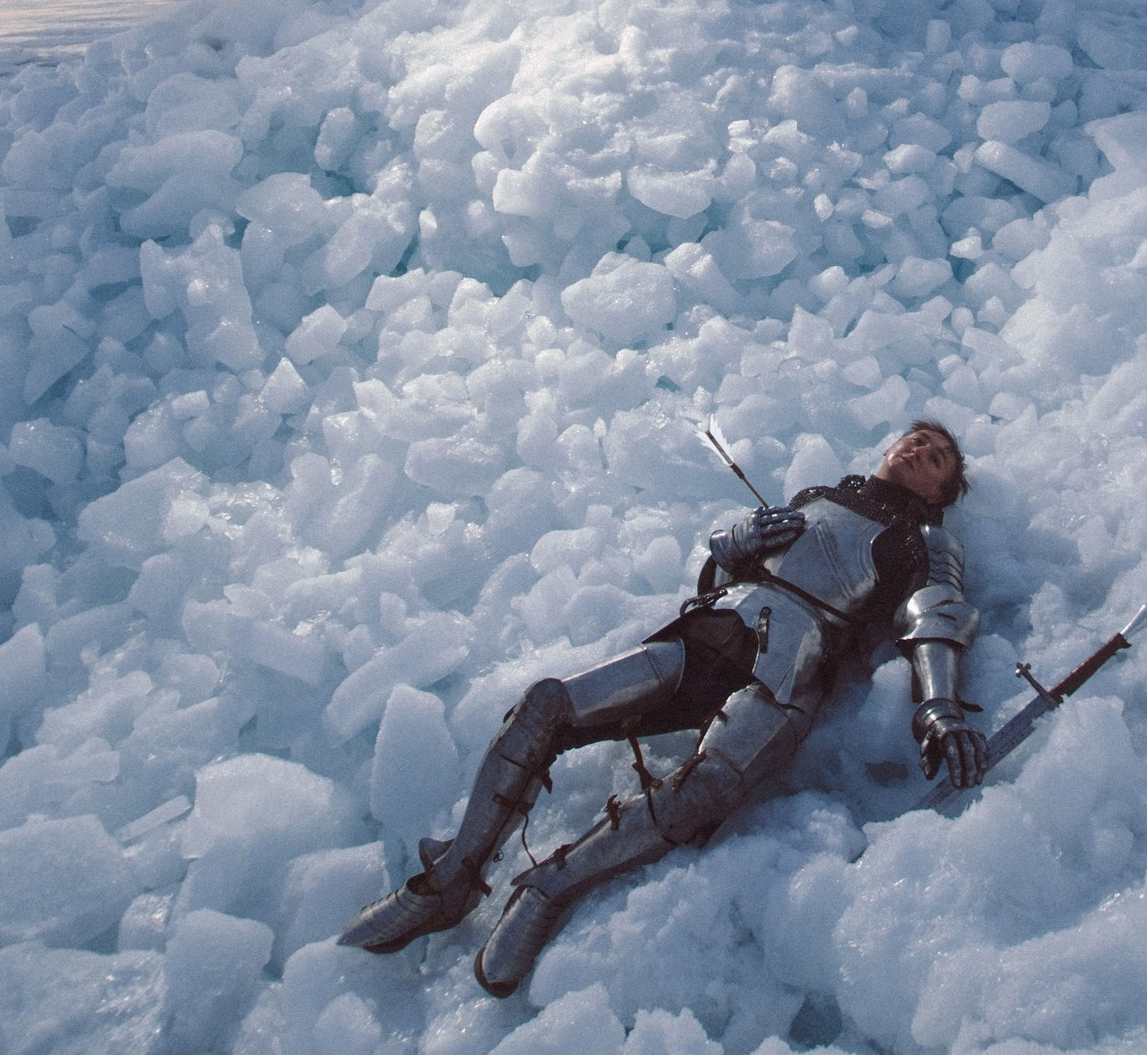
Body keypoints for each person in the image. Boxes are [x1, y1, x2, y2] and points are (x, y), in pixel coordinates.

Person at [339, 419, 986, 996]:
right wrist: (737, 541)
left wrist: (941, 707)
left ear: (939, 494)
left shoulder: (924, 540)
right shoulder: (816, 497)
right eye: (918, 439)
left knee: (705, 789)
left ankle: (549, 888)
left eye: (937, 458)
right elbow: (721, 574)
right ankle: (450, 877)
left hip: (790, 668)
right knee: (547, 706)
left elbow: (934, 617)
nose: (921, 449)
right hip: (711, 630)